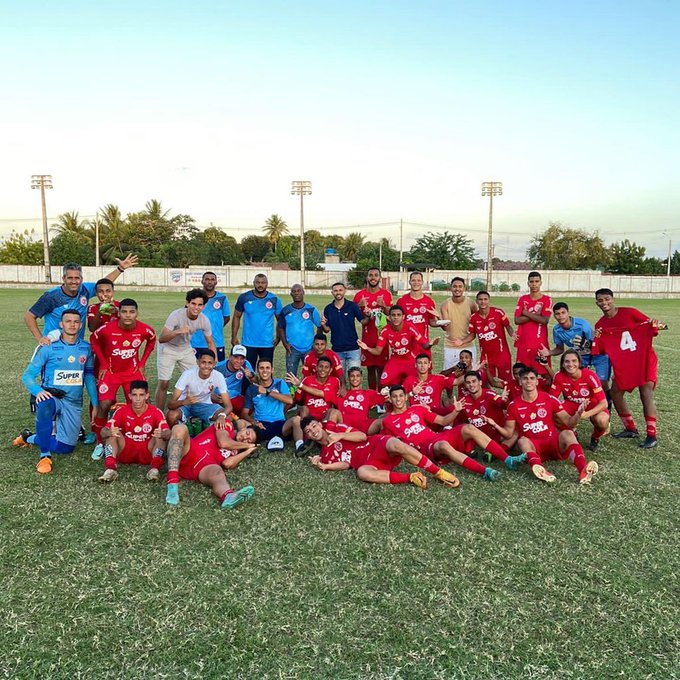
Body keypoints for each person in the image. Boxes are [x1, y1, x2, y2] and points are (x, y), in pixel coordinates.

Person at [382, 386, 522, 481]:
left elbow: (443, 421)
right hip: (427, 449)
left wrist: (455, 411)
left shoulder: (417, 409)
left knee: (468, 428)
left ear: (406, 397)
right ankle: (484, 471)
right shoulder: (388, 421)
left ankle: (507, 459)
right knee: (443, 445)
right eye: (394, 396)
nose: (398, 399)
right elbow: (391, 446)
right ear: (390, 398)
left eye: (401, 395)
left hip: (437, 436)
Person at [17, 310, 98, 474]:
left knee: (65, 448)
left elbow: (88, 376)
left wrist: (95, 403)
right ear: (61, 324)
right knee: (45, 405)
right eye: (68, 321)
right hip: (51, 396)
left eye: (76, 321)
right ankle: (44, 456)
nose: (72, 324)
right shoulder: (48, 348)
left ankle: (28, 437)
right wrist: (38, 391)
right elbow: (27, 376)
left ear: (81, 325)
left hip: (73, 402)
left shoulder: (86, 348)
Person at [486, 366, 598, 485]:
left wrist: (578, 414)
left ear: (537, 381)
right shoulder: (513, 405)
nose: (528, 381)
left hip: (553, 443)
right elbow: (508, 433)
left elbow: (569, 423)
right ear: (520, 381)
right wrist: (495, 425)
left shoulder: (550, 399)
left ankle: (583, 470)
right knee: (522, 440)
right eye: (525, 378)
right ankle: (540, 470)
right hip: (534, 447)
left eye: (532, 378)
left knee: (568, 433)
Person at [302, 416, 461, 488]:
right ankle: (412, 477)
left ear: (320, 425)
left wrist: (340, 436)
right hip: (370, 462)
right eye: (308, 431)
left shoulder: (337, 429)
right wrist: (324, 466)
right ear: (308, 436)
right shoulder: (325, 454)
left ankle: (438, 472)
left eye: (314, 426)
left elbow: (362, 436)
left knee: (396, 445)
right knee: (362, 473)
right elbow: (345, 464)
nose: (313, 431)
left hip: (376, 445)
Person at [592, 288, 661, 449]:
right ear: (597, 303)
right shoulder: (600, 325)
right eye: (601, 300)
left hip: (644, 359)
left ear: (613, 299)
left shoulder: (630, 313)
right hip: (625, 364)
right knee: (615, 393)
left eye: (607, 299)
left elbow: (650, 326)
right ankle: (630, 428)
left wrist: (654, 324)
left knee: (646, 392)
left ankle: (651, 434)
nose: (604, 303)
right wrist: (597, 336)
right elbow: (600, 351)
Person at [89, 298, 157, 458]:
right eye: (124, 312)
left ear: (136, 313)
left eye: (131, 312)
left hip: (132, 372)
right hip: (111, 372)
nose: (128, 315)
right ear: (118, 313)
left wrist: (142, 363)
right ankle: (100, 442)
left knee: (138, 404)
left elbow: (152, 341)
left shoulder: (145, 330)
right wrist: (104, 364)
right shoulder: (106, 329)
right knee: (104, 404)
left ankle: (141, 439)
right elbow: (94, 340)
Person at [24, 255, 137, 344]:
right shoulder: (51, 296)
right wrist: (40, 338)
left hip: (77, 344)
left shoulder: (84, 290)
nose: (74, 281)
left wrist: (120, 269)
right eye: (70, 278)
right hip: (54, 344)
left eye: (77, 278)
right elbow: (29, 316)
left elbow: (103, 284)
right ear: (63, 278)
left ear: (81, 279)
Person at [165, 420, 257, 508]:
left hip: (204, 467)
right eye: (247, 433)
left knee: (217, 472)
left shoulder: (237, 451)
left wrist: (247, 451)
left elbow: (227, 464)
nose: (245, 438)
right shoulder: (227, 425)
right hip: (190, 451)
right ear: (243, 429)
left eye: (248, 440)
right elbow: (223, 443)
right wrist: (248, 445)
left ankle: (228, 497)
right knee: (180, 428)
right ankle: (172, 485)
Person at [539, 302, 612, 408]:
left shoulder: (582, 324)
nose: (561, 316)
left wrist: (585, 343)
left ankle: (606, 408)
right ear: (554, 316)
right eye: (557, 314)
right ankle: (571, 406)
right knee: (570, 378)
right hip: (581, 356)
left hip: (598, 355)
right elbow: (560, 349)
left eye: (563, 312)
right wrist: (549, 352)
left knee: (602, 382)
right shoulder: (556, 330)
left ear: (568, 313)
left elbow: (597, 344)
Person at [98, 380, 170, 482]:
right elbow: (103, 432)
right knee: (113, 432)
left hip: (148, 451)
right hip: (126, 450)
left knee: (160, 434)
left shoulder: (156, 412)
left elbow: (168, 433)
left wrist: (163, 434)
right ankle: (110, 469)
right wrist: (108, 432)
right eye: (134, 395)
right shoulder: (121, 411)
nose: (137, 399)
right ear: (129, 396)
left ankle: (155, 469)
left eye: (141, 395)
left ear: (147, 396)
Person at [155, 289, 215, 410]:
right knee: (164, 383)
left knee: (196, 379)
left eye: (200, 305)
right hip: (168, 349)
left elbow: (210, 343)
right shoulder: (176, 315)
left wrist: (214, 361)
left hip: (185, 349)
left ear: (204, 306)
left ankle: (194, 411)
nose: (196, 307)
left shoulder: (204, 320)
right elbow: (161, 339)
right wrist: (178, 331)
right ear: (187, 303)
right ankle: (159, 415)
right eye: (193, 303)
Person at [358, 305, 437, 388]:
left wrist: (430, 344)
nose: (396, 317)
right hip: (395, 359)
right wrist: (367, 348)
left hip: (410, 359)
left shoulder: (409, 327)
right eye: (393, 315)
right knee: (383, 384)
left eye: (398, 315)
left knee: (418, 383)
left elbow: (424, 345)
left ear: (403, 317)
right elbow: (378, 351)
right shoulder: (385, 330)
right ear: (389, 317)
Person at [548, 350, 610, 451]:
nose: (570, 364)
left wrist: (586, 414)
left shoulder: (590, 375)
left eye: (574, 361)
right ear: (562, 364)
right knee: (555, 414)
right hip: (572, 404)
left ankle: (595, 438)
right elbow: (551, 400)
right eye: (567, 361)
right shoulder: (559, 376)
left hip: (591, 404)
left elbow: (604, 403)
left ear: (579, 363)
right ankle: (572, 433)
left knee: (602, 421)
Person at [241, 358, 304, 452]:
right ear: (257, 370)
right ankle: (246, 448)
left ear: (272, 370)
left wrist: (267, 392)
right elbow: (244, 413)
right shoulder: (252, 388)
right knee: (240, 422)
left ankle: (300, 446)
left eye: (267, 368)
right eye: (261, 368)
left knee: (296, 419)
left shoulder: (279, 383)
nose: (265, 370)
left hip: (280, 424)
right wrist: (254, 422)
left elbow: (290, 400)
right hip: (261, 426)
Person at [454, 291, 514, 383]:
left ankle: (510, 397)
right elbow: (472, 334)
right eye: (480, 299)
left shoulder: (498, 312)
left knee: (508, 381)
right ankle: (487, 396)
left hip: (502, 354)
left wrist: (512, 334)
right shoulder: (474, 318)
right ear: (477, 301)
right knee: (483, 379)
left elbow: (508, 326)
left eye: (485, 299)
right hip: (486, 356)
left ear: (489, 300)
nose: (483, 302)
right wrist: (462, 341)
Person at [166, 349, 232, 427]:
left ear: (214, 364)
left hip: (204, 404)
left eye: (210, 363)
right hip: (184, 405)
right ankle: (180, 432)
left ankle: (205, 432)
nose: (206, 366)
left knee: (227, 417)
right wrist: (184, 402)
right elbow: (170, 404)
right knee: (171, 416)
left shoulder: (218, 376)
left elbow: (229, 406)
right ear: (198, 362)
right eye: (203, 362)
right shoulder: (187, 374)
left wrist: (222, 416)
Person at [232, 273, 282, 369]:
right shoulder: (244, 297)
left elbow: (280, 320)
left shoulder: (274, 299)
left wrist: (278, 338)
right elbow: (236, 316)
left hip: (267, 343)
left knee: (266, 372)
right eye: (258, 282)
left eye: (263, 282)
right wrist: (234, 337)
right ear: (253, 283)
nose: (260, 285)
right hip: (248, 343)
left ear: (267, 284)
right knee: (247, 372)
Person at [354, 268, 393, 390]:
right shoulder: (360, 295)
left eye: (376, 275)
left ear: (379, 278)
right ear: (367, 277)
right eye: (370, 275)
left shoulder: (386, 294)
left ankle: (381, 396)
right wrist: (358, 306)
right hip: (367, 337)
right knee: (370, 369)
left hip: (382, 336)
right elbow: (352, 312)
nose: (373, 278)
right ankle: (372, 394)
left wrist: (384, 306)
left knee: (382, 368)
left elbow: (392, 315)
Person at [459, 370, 517, 452]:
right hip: (478, 437)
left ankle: (495, 452)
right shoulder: (463, 400)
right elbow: (460, 422)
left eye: (474, 381)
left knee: (515, 433)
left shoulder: (490, 394)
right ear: (465, 385)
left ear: (480, 382)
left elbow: (503, 404)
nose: (471, 385)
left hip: (496, 434)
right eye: (468, 382)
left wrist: (504, 400)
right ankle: (471, 448)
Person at [321, 282, 368, 375]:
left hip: (353, 349)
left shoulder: (352, 306)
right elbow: (327, 330)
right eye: (335, 291)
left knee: (355, 378)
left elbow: (363, 321)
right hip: (337, 350)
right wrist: (323, 325)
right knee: (339, 378)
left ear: (345, 291)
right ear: (332, 292)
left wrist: (369, 316)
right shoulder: (328, 308)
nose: (338, 292)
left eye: (340, 290)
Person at [278, 284, 322, 376]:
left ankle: (308, 390)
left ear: (303, 293)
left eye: (299, 291)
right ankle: (291, 391)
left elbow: (319, 326)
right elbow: (281, 328)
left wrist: (316, 343)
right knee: (290, 376)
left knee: (310, 375)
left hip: (309, 348)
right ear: (291, 294)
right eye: (294, 291)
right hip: (292, 349)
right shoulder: (285, 310)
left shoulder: (311, 310)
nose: (296, 293)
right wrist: (285, 344)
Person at [514, 271, 552, 375]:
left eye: (536, 281)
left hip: (539, 344)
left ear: (541, 283)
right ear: (528, 283)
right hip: (523, 343)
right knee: (522, 375)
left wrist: (526, 313)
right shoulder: (523, 299)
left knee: (543, 374)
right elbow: (517, 320)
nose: (534, 284)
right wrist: (536, 315)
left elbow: (544, 320)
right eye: (531, 282)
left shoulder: (546, 299)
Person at [327, 366, 384, 434]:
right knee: (332, 411)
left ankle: (381, 441)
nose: (355, 378)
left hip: (363, 426)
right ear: (348, 378)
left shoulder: (368, 393)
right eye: (352, 376)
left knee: (384, 421)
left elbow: (389, 399)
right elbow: (322, 394)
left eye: (358, 376)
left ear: (362, 378)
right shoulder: (341, 394)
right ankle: (329, 440)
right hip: (345, 427)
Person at [397, 271, 440, 357]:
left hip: (424, 343)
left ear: (422, 282)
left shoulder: (429, 301)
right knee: (408, 369)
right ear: (409, 282)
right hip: (407, 342)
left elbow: (432, 322)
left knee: (425, 369)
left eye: (418, 280)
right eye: (413, 280)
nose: (416, 283)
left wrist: (439, 318)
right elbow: (397, 323)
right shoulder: (402, 301)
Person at [191, 271, 231, 362]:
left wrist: (215, 327)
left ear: (216, 282)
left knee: (217, 369)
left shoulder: (222, 298)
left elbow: (227, 318)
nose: (210, 282)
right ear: (202, 281)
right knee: (194, 369)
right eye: (207, 279)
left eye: (212, 280)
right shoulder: (194, 297)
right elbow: (188, 316)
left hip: (217, 342)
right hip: (197, 342)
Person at [440, 277, 478, 370]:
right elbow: (445, 327)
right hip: (450, 346)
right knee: (449, 377)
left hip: (468, 345)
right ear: (451, 288)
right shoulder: (445, 305)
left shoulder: (471, 303)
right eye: (455, 286)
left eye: (460, 286)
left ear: (464, 288)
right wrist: (439, 320)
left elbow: (477, 320)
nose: (457, 289)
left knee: (470, 376)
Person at [287, 356, 340, 421]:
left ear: (330, 370)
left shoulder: (335, 381)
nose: (323, 369)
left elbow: (322, 394)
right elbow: (296, 399)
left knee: (332, 411)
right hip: (308, 415)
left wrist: (300, 385)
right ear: (316, 368)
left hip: (325, 416)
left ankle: (329, 429)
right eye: (321, 366)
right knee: (304, 408)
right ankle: (303, 427)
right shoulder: (307, 380)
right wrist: (282, 414)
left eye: (326, 367)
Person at [214, 344, 254, 415]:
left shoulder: (245, 364)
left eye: (242, 358)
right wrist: (212, 396)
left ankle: (231, 414)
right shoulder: (218, 367)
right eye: (236, 357)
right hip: (218, 397)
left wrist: (251, 376)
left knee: (249, 408)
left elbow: (256, 381)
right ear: (230, 357)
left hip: (234, 396)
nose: (239, 361)